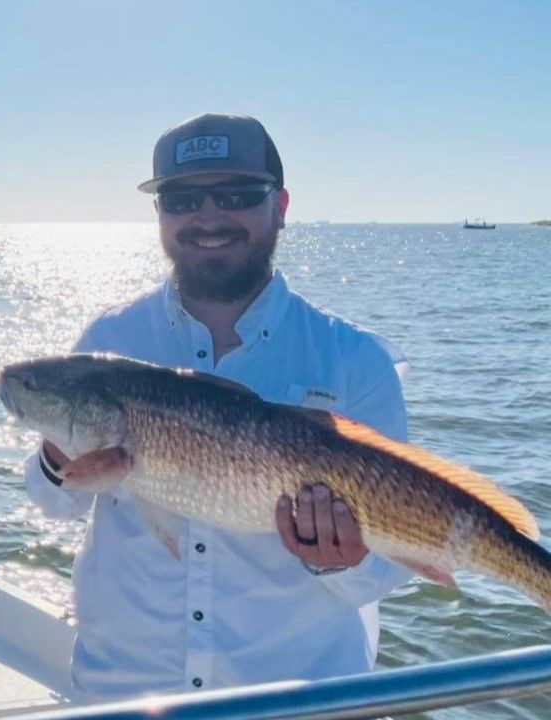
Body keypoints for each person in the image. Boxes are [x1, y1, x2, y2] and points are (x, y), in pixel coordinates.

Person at [25, 113, 413, 702]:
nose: (207, 218)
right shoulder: (112, 337)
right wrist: (62, 452)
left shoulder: (354, 360)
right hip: (126, 692)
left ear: (279, 206)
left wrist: (347, 559)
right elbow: (54, 503)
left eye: (235, 195)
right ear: (160, 216)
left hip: (299, 697)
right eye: (181, 199)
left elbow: (400, 559)